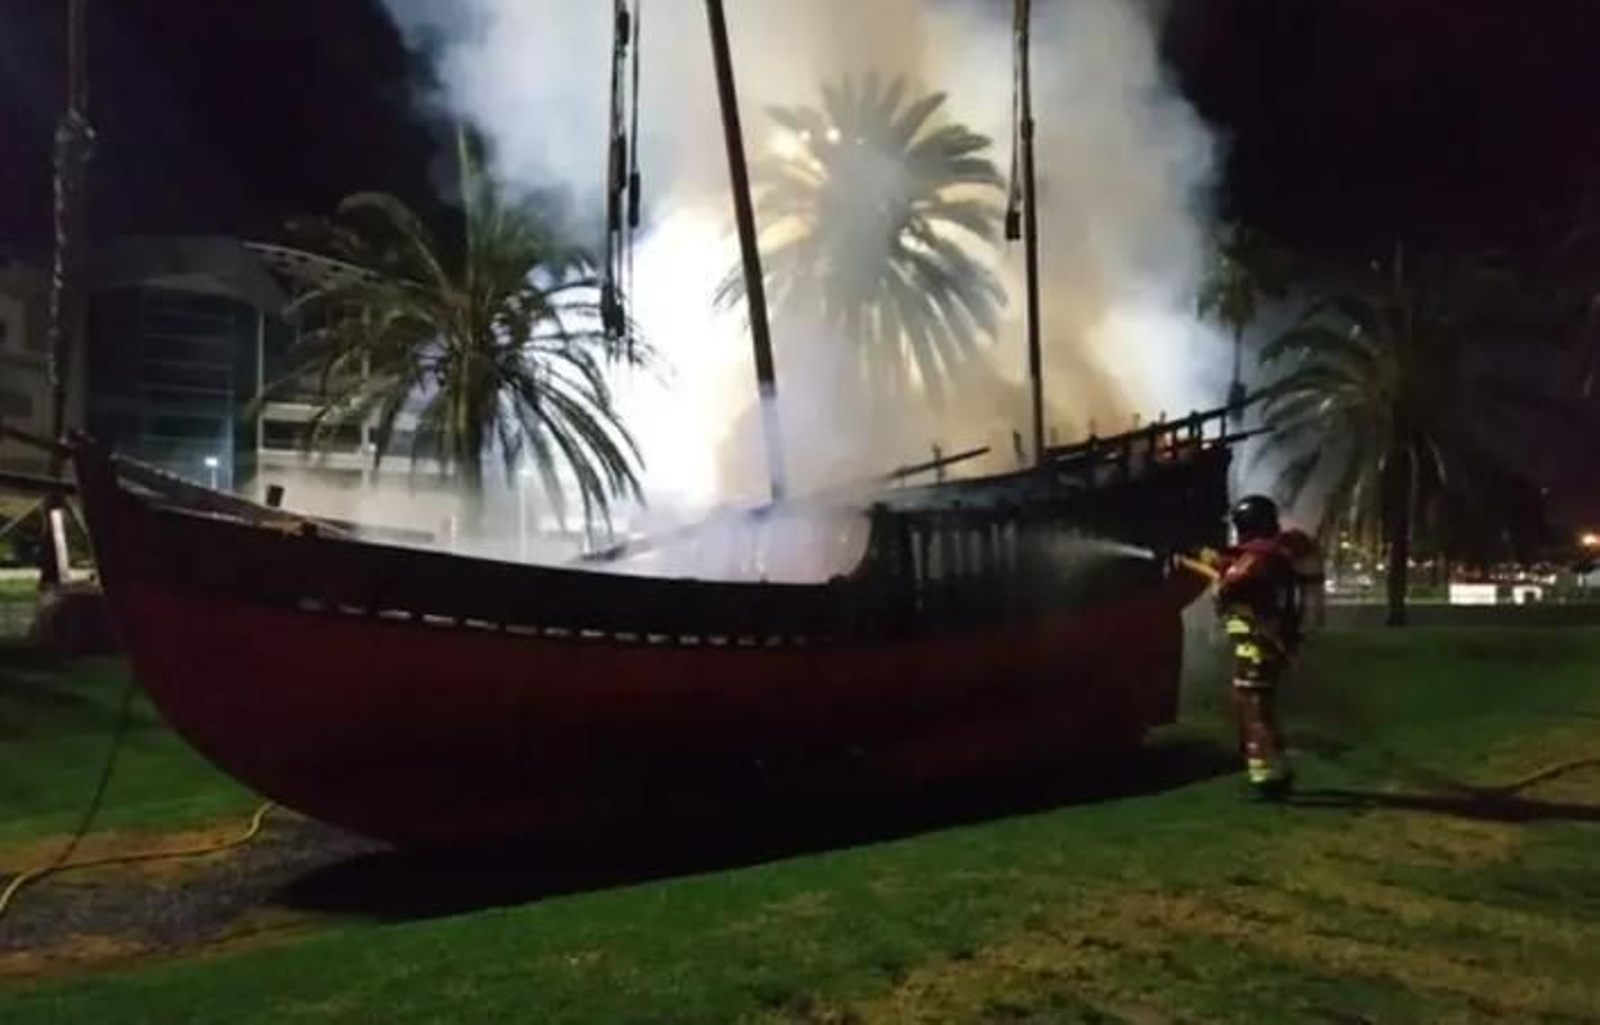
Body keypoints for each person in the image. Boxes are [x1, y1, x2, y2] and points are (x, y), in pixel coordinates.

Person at [1203, 495, 1324, 800]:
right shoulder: (1275, 554)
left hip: (1260, 646)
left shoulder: (1261, 557)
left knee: (1257, 711)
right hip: (1261, 646)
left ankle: (1268, 777)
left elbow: (1233, 583)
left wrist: (1218, 573)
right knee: (1252, 708)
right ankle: (1272, 768)